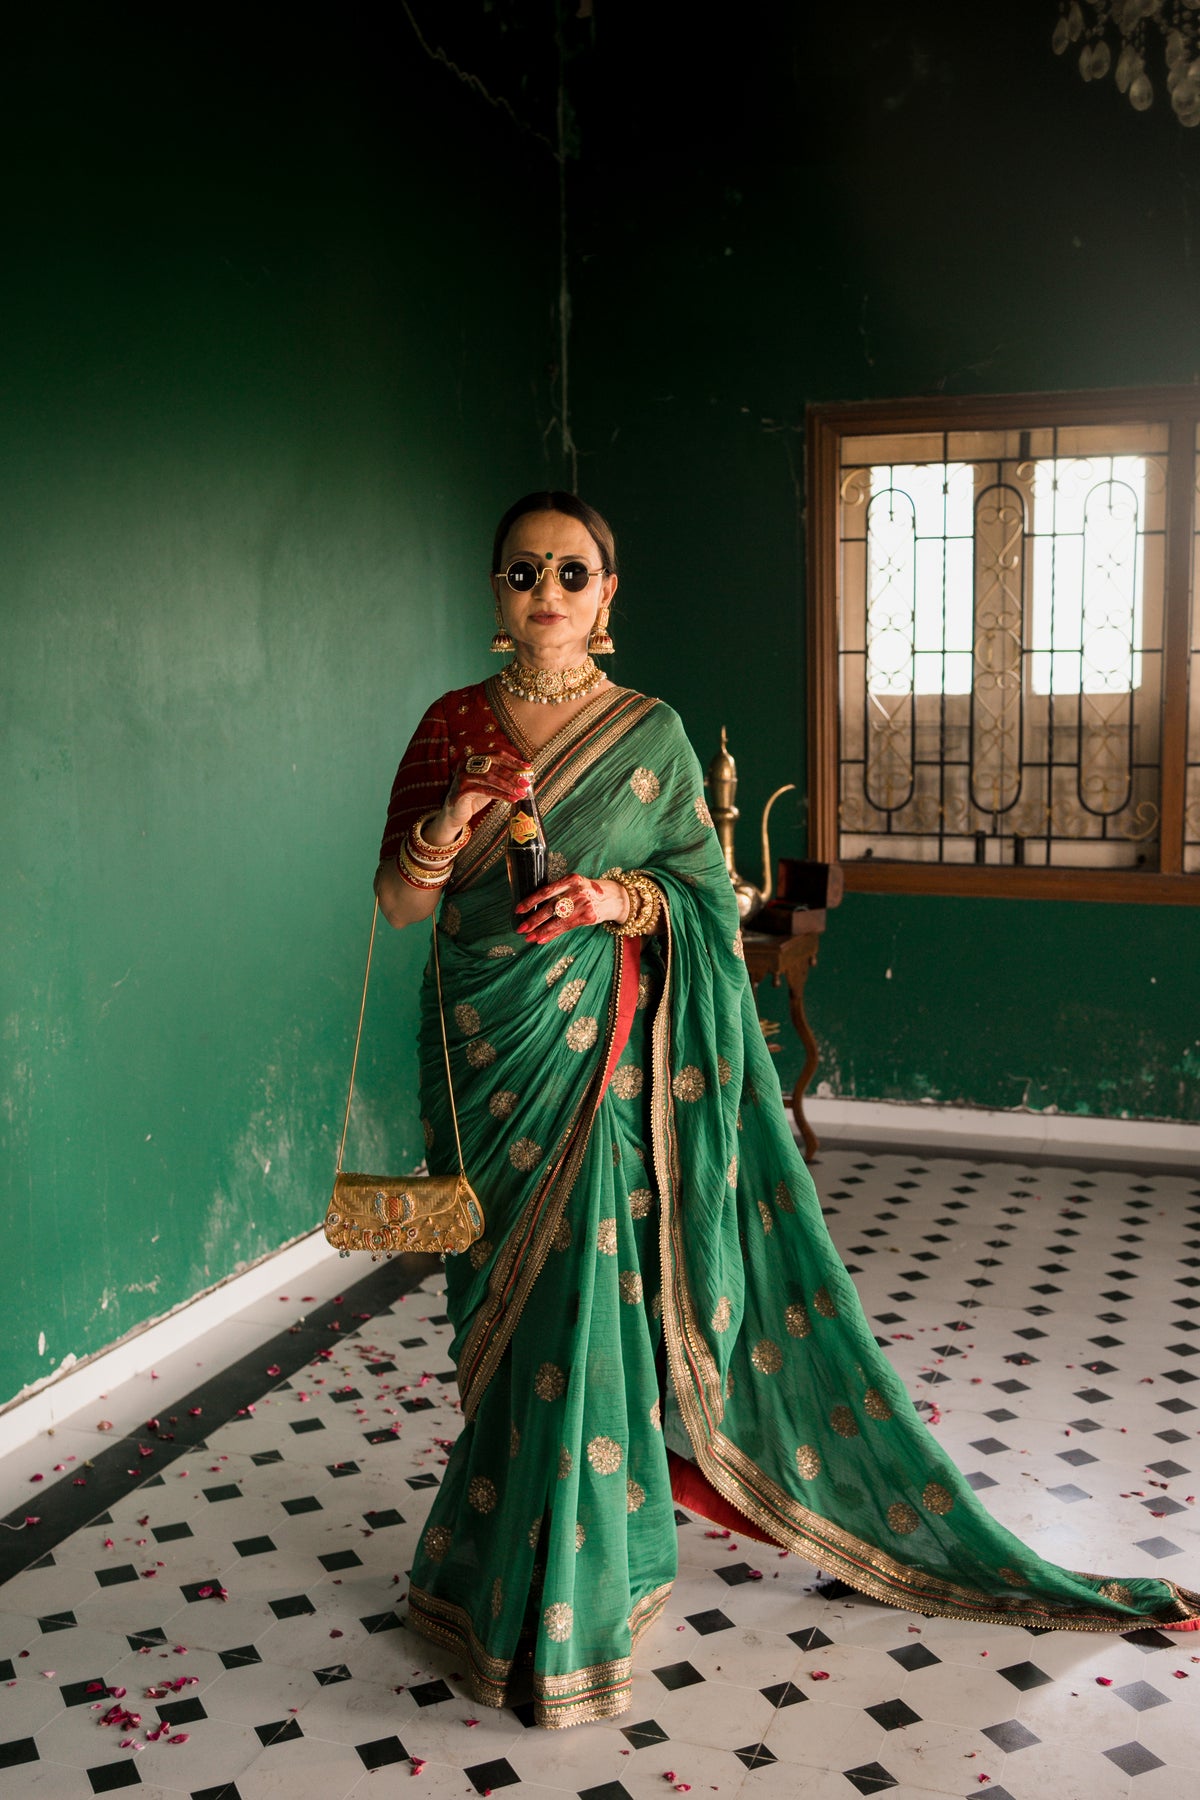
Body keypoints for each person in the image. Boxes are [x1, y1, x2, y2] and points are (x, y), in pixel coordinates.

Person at [373, 491, 1199, 1730]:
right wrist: (452, 820)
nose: (547, 592)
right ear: (498, 590)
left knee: (585, 1294)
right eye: (524, 571)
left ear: (608, 594)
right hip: (485, 1050)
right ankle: (491, 1557)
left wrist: (613, 902)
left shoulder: (648, 734)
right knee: (503, 1305)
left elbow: (700, 895)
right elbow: (397, 903)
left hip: (604, 1057)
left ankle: (589, 1581)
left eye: (573, 572)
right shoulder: (451, 724)